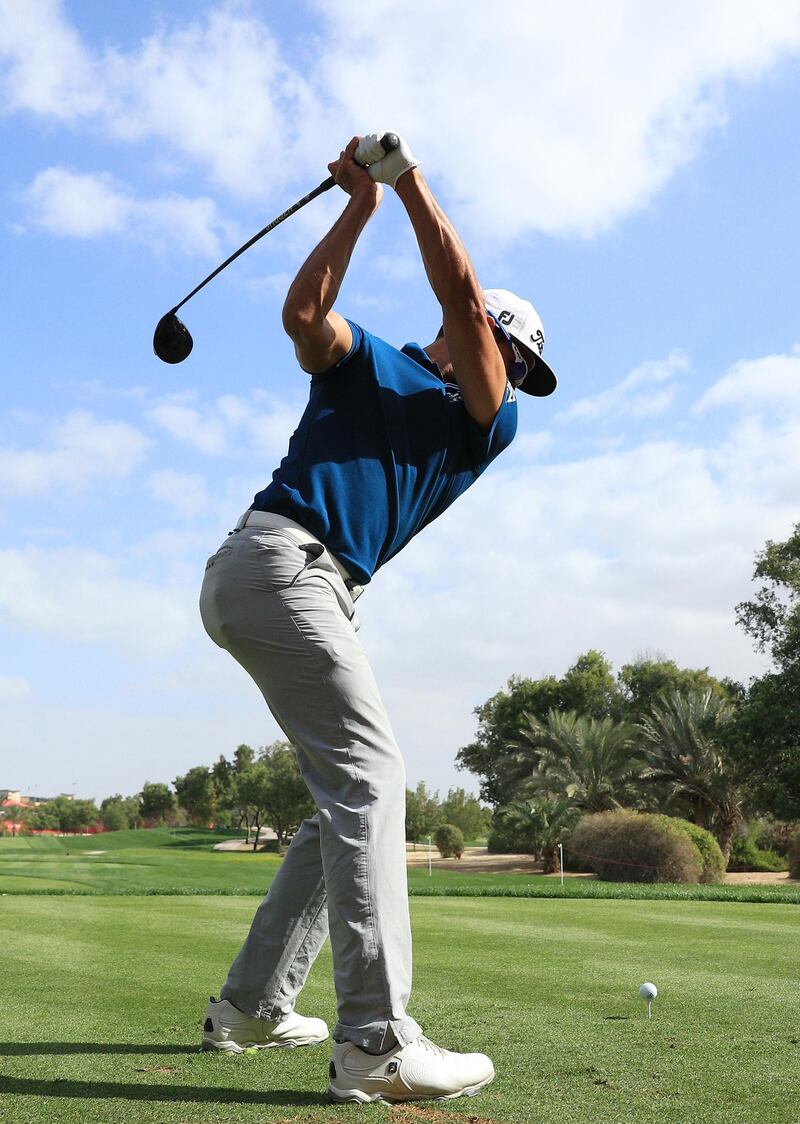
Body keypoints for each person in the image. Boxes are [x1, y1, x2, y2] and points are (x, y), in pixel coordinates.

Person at [198, 132, 557, 1104]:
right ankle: (374, 1040)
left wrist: (408, 186)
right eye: (508, 348)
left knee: (338, 802)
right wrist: (358, 203)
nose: (509, 369)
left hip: (301, 580)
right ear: (463, 329)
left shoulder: (487, 418)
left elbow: (461, 302)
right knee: (372, 775)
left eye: (519, 362)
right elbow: (304, 315)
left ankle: (250, 1005)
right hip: (277, 559)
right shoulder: (371, 362)